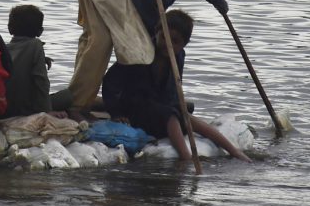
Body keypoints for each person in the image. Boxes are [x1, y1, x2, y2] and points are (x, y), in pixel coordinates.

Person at [101, 9, 252, 163]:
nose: (169, 44)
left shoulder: (179, 56)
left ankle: (235, 152)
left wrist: (177, 107)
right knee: (171, 115)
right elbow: (110, 82)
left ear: (184, 44)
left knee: (185, 115)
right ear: (156, 32)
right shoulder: (140, 53)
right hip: (137, 109)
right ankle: (186, 158)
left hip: (159, 107)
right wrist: (116, 112)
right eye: (164, 37)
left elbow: (173, 89)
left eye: (175, 41)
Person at [4, 4, 52, 116]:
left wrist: (42, 59)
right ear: (40, 31)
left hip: (5, 108)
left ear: (9, 28)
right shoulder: (36, 45)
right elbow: (41, 82)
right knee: (67, 97)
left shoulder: (3, 48)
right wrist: (47, 112)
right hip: (27, 110)